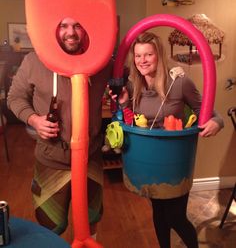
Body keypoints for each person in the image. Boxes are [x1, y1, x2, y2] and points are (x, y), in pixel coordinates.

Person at [111, 32, 224, 248]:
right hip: (150, 164)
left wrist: (218, 123)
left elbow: (209, 112)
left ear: (159, 55)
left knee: (175, 217)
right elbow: (132, 121)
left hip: (175, 164)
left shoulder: (180, 83)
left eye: (148, 54)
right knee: (159, 213)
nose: (142, 60)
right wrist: (125, 104)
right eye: (137, 56)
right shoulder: (134, 86)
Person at [7, 17, 113, 239]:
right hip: (51, 159)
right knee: (50, 225)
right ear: (53, 29)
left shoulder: (102, 63)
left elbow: (131, 81)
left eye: (77, 25)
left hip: (90, 159)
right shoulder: (33, 61)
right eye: (63, 26)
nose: (70, 32)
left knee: (91, 220)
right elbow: (15, 98)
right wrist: (35, 119)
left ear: (86, 29)